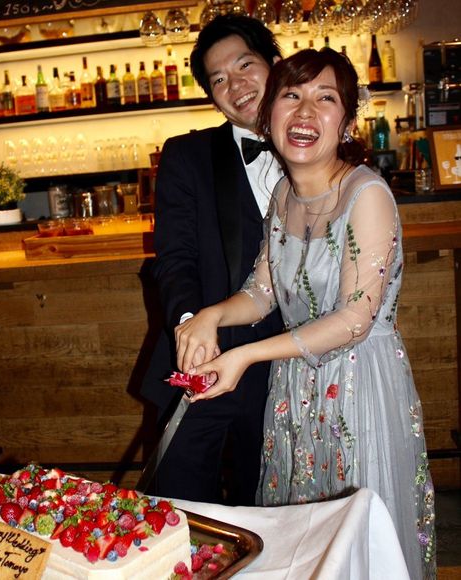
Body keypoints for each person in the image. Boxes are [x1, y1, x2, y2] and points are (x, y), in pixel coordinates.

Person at [175, 49, 436, 579]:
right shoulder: (283, 195)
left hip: (360, 387)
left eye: (325, 98)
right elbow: (263, 291)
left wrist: (246, 355)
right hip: (295, 388)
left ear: (346, 120)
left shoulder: (367, 194)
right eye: (291, 95)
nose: (305, 111)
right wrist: (209, 317)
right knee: (304, 542)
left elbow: (355, 320)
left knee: (358, 543)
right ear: (269, 114)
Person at [140, 14, 283, 505]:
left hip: (294, 373)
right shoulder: (187, 155)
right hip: (205, 363)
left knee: (270, 514)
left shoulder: (319, 148)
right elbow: (174, 257)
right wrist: (189, 325)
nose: (235, 85)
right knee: (177, 506)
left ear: (275, 64)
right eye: (219, 79)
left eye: (245, 66)